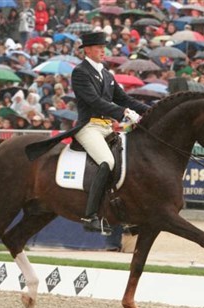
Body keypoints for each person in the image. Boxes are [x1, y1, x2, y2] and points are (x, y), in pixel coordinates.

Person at [71, 31, 150, 234]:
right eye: (98, 47)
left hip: (107, 128)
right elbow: (94, 101)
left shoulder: (107, 74)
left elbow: (125, 99)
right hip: (89, 127)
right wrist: (122, 112)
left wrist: (150, 111)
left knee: (130, 162)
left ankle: (126, 212)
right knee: (108, 161)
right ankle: (90, 215)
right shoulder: (80, 72)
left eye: (104, 47)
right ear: (87, 50)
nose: (102, 51)